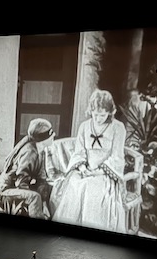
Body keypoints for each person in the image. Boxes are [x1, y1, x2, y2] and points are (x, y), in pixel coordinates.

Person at [51, 89, 127, 233]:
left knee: (92, 189)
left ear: (110, 112)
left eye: (103, 115)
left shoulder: (118, 128)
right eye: (95, 114)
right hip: (85, 170)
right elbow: (79, 152)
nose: (98, 119)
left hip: (105, 174)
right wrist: (83, 168)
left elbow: (117, 156)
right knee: (74, 183)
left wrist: (98, 171)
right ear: (90, 111)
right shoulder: (85, 126)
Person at [0, 118, 54, 219]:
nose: (53, 136)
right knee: (34, 197)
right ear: (43, 138)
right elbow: (20, 183)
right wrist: (37, 202)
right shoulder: (29, 151)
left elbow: (41, 179)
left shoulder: (41, 151)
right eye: (50, 134)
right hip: (6, 191)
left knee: (47, 189)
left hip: (18, 189)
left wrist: (44, 203)